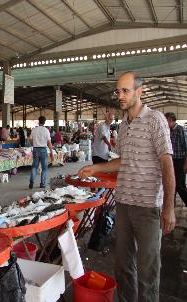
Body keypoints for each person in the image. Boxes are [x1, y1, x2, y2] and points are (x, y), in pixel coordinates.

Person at [78, 71, 175, 302]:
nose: (120, 96)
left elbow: (167, 163)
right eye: (118, 91)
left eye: (125, 91)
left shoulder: (155, 119)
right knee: (123, 266)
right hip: (123, 204)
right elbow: (123, 160)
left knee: (147, 269)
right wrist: (96, 169)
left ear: (139, 92)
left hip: (147, 207)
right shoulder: (123, 125)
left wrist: (169, 206)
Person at [165, 112, 187, 207]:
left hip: (180, 161)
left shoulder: (181, 130)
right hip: (171, 161)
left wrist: (185, 164)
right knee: (170, 184)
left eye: (166, 121)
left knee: (180, 186)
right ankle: (170, 207)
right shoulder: (168, 131)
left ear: (170, 120)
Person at [29, 116, 54, 189]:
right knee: (44, 168)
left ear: (38, 121)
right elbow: (49, 142)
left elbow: (30, 140)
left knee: (34, 166)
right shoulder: (46, 130)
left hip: (35, 149)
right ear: (44, 122)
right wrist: (51, 152)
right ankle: (42, 184)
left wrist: (34, 144)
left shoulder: (34, 130)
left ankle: (31, 181)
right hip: (43, 150)